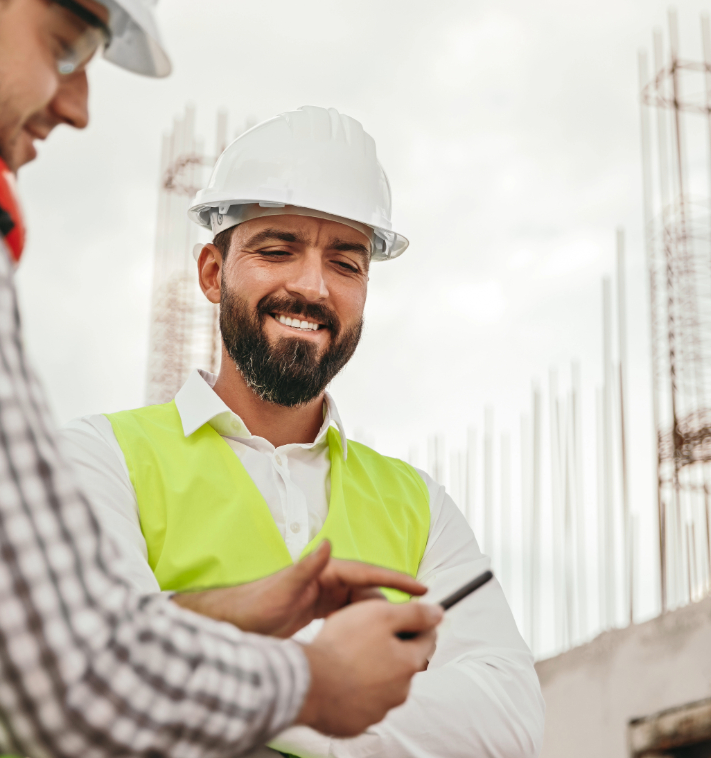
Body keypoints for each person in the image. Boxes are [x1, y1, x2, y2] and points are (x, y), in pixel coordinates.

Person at [0, 0, 444, 757]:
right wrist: (314, 682)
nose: (77, 106)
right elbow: (66, 675)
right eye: (65, 47)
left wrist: (230, 614)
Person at [60, 106, 546, 757]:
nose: (312, 287)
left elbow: (507, 724)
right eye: (277, 249)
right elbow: (92, 673)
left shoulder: (421, 507)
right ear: (212, 273)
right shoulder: (98, 460)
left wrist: (211, 675)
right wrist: (334, 682)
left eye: (346, 263)